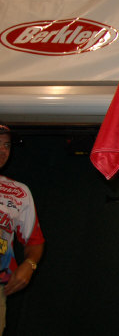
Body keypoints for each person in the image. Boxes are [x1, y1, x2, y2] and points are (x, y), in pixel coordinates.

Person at [0, 124, 45, 333]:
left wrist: (30, 264)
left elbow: (34, 241)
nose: (3, 151)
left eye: (7, 145)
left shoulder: (18, 192)